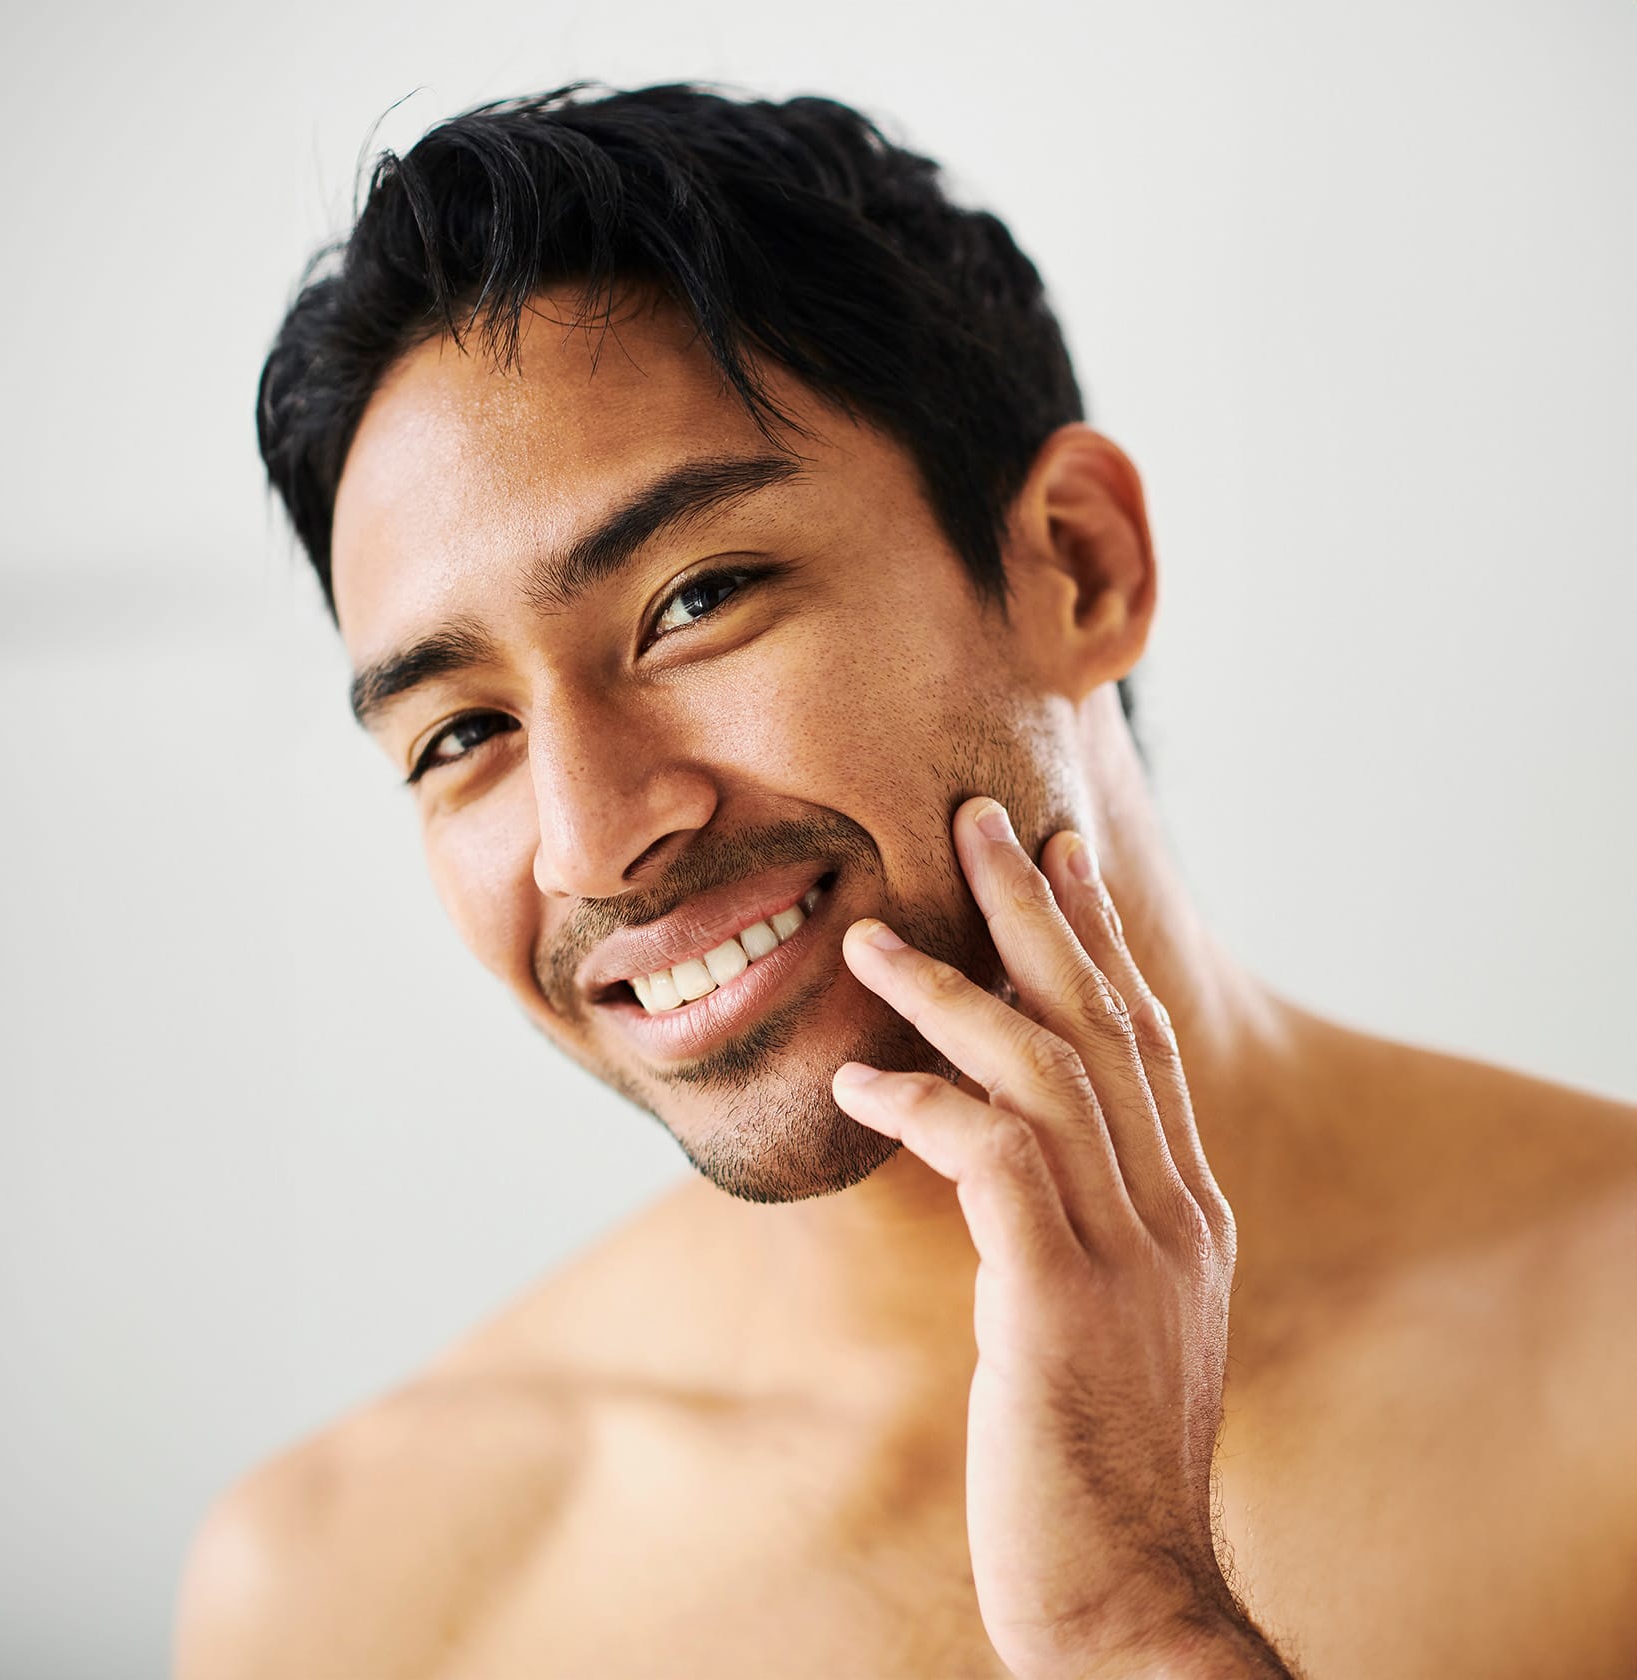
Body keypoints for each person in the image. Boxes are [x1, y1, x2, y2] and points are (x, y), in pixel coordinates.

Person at [175, 83, 1637, 1678]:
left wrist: (1135, 1628)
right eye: (462, 734)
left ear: (1076, 564)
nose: (590, 839)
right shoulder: (348, 1592)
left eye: (697, 600)